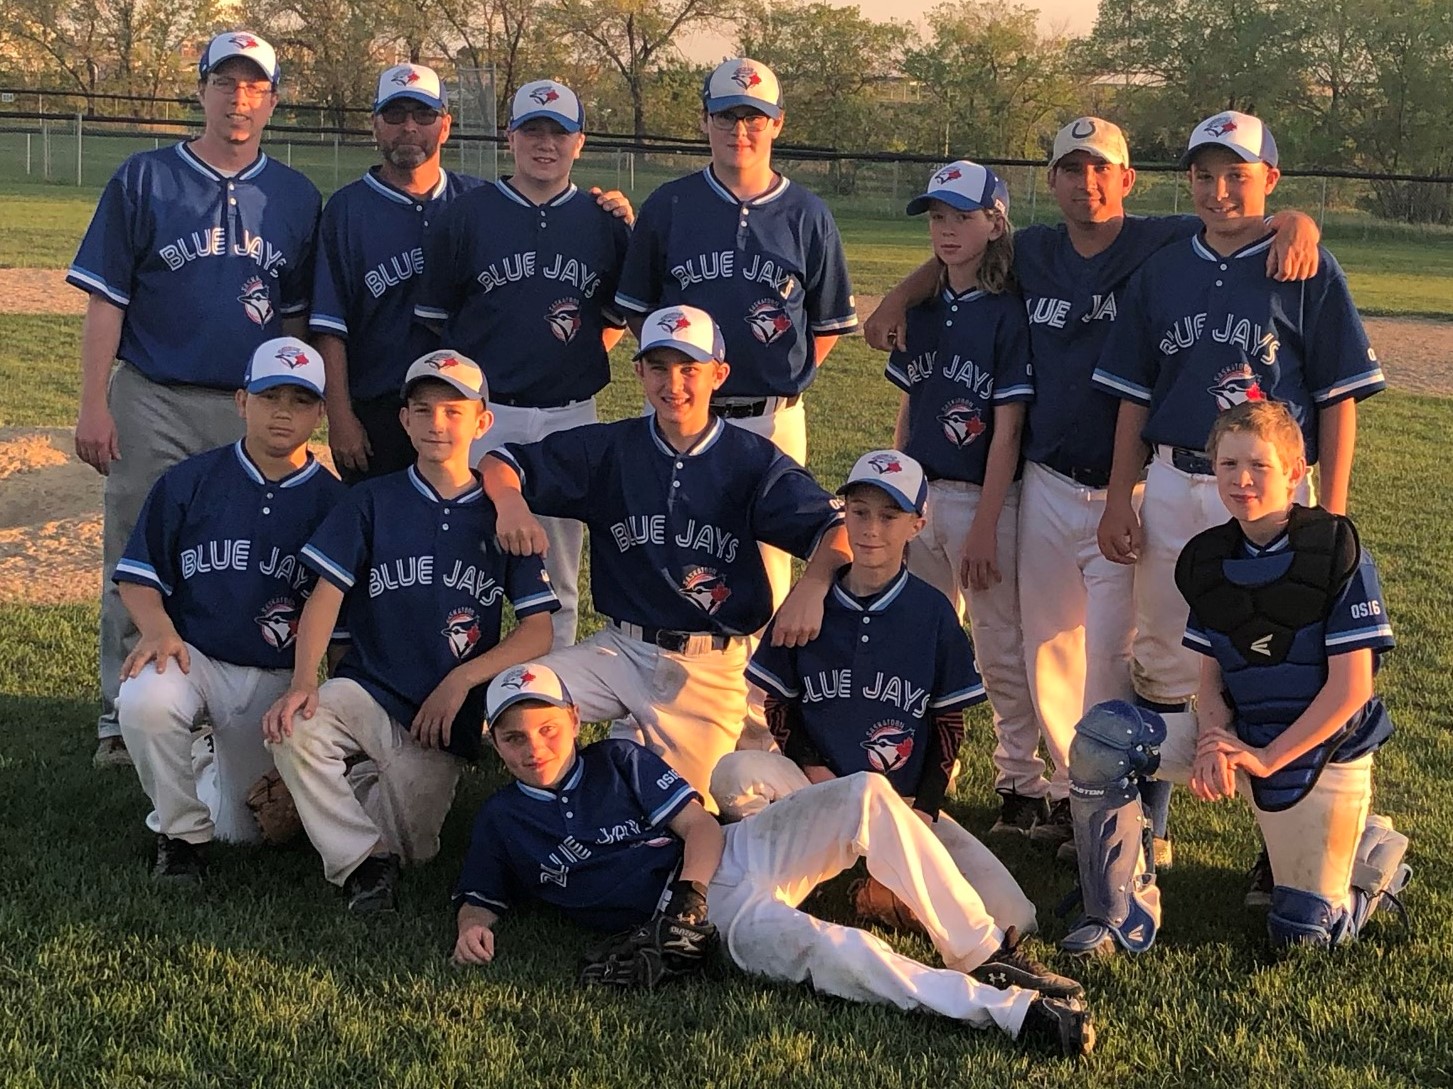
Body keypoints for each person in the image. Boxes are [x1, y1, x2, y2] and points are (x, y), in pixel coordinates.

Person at [863, 117, 1323, 860]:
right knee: (1046, 648)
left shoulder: (1160, 240)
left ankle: (1139, 806)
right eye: (1071, 171)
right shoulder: (1033, 250)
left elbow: (1239, 216)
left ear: (1127, 178)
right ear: (1051, 183)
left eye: (1101, 168)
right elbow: (956, 252)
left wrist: (1296, 219)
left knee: (1126, 650)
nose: (1087, 183)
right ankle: (1080, 797)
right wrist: (894, 297)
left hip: (1132, 486)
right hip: (1044, 478)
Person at [451, 663, 1097, 1058]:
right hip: (725, 920)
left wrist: (688, 897)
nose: (533, 745)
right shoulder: (503, 820)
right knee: (836, 952)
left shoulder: (615, 760)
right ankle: (1008, 1013)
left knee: (865, 794)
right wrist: (470, 927)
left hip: (724, 860)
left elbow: (699, 826)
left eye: (547, 727)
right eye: (512, 735)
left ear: (571, 717)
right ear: (495, 740)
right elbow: (481, 893)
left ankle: (982, 951)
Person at [1090, 112, 1385, 887]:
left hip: (1270, 487)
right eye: (1204, 174)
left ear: (1269, 181)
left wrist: (1328, 512)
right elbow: (1129, 395)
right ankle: (1149, 833)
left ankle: (1283, 830)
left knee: (1281, 657)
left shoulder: (1303, 263)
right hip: (1175, 479)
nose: (1219, 191)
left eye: (1237, 175)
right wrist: (1121, 494)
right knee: (1160, 654)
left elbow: (1335, 398)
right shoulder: (1161, 267)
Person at [1061, 400, 1410, 956]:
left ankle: (1374, 858)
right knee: (1106, 736)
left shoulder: (1336, 549)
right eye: (1227, 465)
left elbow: (1353, 690)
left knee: (1304, 936)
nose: (1241, 480)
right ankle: (1119, 913)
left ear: (1296, 472)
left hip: (1319, 752)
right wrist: (1211, 741)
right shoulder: (1209, 558)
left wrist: (1267, 757)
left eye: (1259, 466)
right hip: (1244, 733)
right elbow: (1213, 676)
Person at [68, 30, 321, 767]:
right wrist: (93, 402)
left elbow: (297, 321)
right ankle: (122, 711)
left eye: (254, 86)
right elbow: (107, 301)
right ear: (202, 89)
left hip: (254, 406)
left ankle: (211, 704)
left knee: (242, 555)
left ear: (272, 100)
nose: (238, 98)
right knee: (138, 547)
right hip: (153, 393)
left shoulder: (295, 196)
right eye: (225, 82)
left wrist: (300, 413)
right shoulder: (145, 178)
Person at [480, 305, 850, 806]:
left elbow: (838, 528)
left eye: (689, 369)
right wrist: (509, 503)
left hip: (707, 669)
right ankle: (551, 812)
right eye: (658, 368)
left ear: (719, 374)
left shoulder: (749, 460)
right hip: (620, 651)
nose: (673, 384)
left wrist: (813, 585)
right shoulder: (614, 448)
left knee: (673, 807)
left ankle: (627, 764)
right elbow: (502, 460)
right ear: (638, 373)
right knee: (519, 694)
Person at [261, 352, 558, 912]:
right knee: (297, 726)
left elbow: (538, 631)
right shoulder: (372, 499)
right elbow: (326, 597)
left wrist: (460, 683)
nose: (436, 424)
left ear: (482, 421)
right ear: (403, 421)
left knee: (415, 849)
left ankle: (343, 804)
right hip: (369, 691)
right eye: (421, 410)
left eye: (453, 410)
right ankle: (361, 865)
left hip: (443, 719)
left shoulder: (503, 515)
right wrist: (304, 681)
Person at [711, 449, 1040, 938]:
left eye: (890, 517)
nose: (870, 530)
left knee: (1016, 919)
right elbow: (780, 707)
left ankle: (852, 884)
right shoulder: (809, 606)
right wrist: (817, 772)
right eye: (859, 512)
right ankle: (822, 880)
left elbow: (949, 727)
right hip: (816, 794)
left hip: (901, 804)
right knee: (734, 773)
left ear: (917, 525)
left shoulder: (931, 614)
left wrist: (923, 814)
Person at [613, 58, 858, 619]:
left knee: (769, 566)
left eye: (753, 117)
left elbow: (823, 327)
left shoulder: (808, 213)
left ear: (777, 123)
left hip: (771, 417)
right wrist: (683, 384)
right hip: (686, 416)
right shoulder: (671, 204)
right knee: (680, 554)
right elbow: (639, 314)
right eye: (725, 116)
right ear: (705, 121)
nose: (739, 131)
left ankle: (756, 703)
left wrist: (778, 382)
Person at [112, 338, 345, 880]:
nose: (283, 413)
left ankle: (206, 765)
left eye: (300, 401)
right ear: (241, 401)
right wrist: (158, 630)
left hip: (278, 680)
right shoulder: (191, 481)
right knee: (146, 698)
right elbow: (137, 577)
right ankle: (179, 835)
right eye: (269, 397)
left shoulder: (337, 503)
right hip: (199, 661)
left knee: (243, 833)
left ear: (320, 412)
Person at [414, 79, 632, 647]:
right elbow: (438, 322)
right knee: (466, 561)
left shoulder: (605, 223)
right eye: (532, 130)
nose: (545, 144)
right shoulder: (465, 216)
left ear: (579, 142)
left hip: (569, 415)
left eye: (558, 132)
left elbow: (615, 315)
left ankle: (547, 701)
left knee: (558, 575)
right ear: (509, 136)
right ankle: (463, 689)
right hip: (486, 415)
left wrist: (569, 357)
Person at [884, 161, 1042, 841]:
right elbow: (908, 408)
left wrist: (983, 523)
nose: (946, 230)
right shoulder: (918, 309)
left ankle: (1020, 781)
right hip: (921, 498)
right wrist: (897, 490)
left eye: (961, 217)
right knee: (917, 639)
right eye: (937, 218)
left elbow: (1006, 433)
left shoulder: (1008, 314)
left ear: (994, 222)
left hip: (987, 502)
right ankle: (918, 766)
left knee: (999, 647)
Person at [310, 63, 482, 483]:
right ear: (375, 125)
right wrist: (340, 416)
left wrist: (610, 212)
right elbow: (331, 326)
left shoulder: (479, 202)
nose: (409, 127)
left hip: (462, 404)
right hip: (377, 411)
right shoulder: (347, 210)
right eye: (395, 115)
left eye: (423, 115)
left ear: (445, 125)